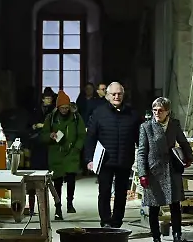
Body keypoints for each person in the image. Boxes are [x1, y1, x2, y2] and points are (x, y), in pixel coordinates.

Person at [137, 97, 192, 242]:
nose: (157, 113)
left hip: (172, 169)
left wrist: (188, 157)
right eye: (154, 110)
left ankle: (177, 238)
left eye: (160, 110)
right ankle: (156, 240)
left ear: (167, 111)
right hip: (153, 171)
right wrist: (142, 173)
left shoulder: (174, 125)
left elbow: (183, 141)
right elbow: (142, 152)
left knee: (175, 206)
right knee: (154, 208)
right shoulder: (146, 127)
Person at [84, 82, 140, 228]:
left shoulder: (132, 114)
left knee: (121, 194)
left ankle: (116, 222)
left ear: (123, 95)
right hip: (105, 161)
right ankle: (105, 221)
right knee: (104, 192)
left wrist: (143, 157)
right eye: (113, 94)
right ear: (107, 96)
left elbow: (140, 138)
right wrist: (89, 159)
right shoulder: (99, 113)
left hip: (124, 160)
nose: (116, 96)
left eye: (119, 94)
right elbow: (90, 137)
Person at [43, 90, 85, 220]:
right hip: (56, 154)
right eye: (62, 108)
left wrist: (77, 148)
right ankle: (58, 207)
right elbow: (43, 135)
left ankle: (70, 202)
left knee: (71, 179)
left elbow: (82, 134)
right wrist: (50, 136)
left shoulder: (76, 118)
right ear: (58, 107)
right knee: (57, 183)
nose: (65, 110)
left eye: (67, 107)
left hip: (72, 153)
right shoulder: (51, 118)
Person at [26, 87, 56, 216]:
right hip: (36, 144)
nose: (48, 100)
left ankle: (45, 208)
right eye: (46, 98)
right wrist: (35, 126)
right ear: (43, 99)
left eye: (50, 98)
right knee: (33, 180)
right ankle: (32, 208)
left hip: (48, 146)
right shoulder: (35, 110)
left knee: (45, 180)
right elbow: (29, 126)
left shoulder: (54, 111)